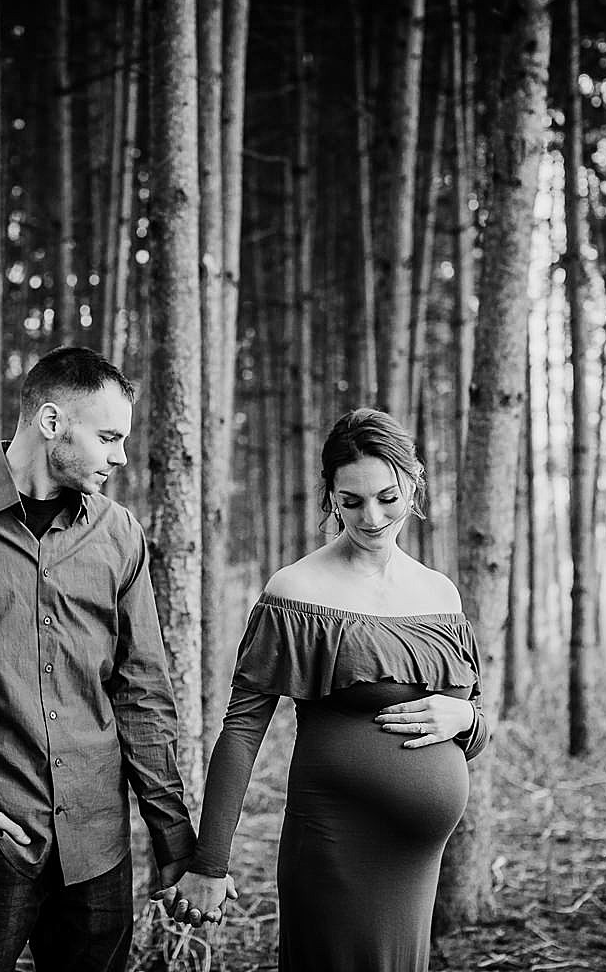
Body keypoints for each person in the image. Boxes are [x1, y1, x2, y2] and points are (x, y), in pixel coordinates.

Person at [0, 346, 207, 972]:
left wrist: (172, 835)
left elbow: (142, 692)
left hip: (98, 850)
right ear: (51, 423)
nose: (120, 456)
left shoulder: (120, 533)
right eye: (107, 437)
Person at [162, 407, 491, 970]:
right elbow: (242, 732)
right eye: (351, 500)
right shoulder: (296, 591)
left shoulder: (441, 595)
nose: (371, 517)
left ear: (413, 484)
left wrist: (465, 722)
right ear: (330, 496)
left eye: (388, 497)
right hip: (335, 843)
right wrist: (209, 863)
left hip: (414, 861)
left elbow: (472, 721)